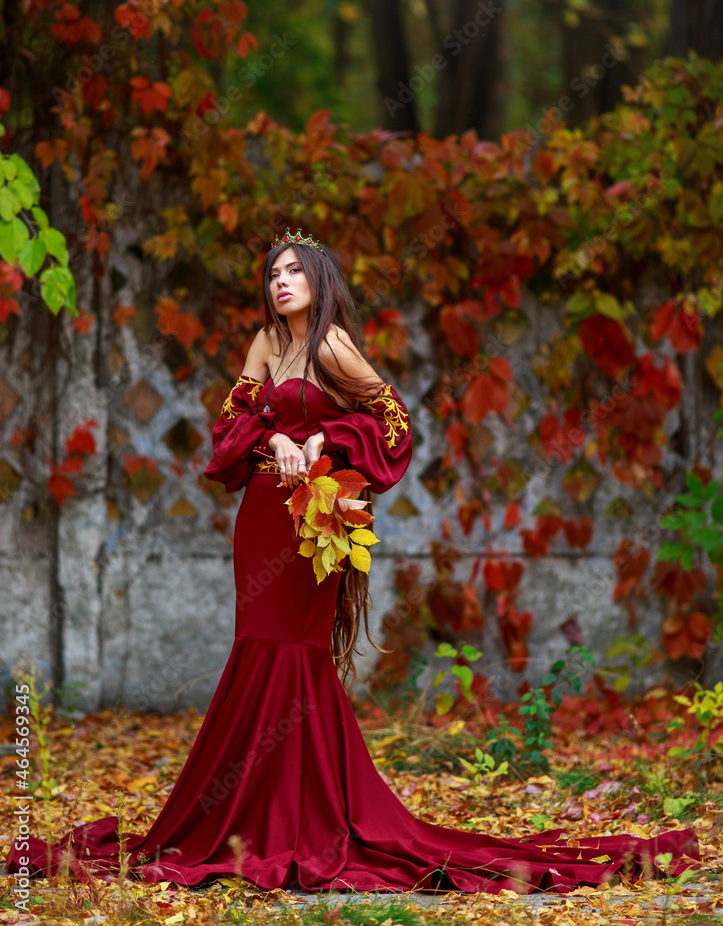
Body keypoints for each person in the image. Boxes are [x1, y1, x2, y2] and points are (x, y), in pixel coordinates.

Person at [5, 229, 699, 894]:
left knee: (294, 651)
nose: (279, 283)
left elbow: (394, 423)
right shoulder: (264, 344)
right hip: (261, 522)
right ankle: (251, 819)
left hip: (316, 524)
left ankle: (307, 823)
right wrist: (271, 442)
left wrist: (326, 445)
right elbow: (224, 434)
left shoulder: (333, 346)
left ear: (319, 280)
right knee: (257, 646)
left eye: (292, 271)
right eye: (272, 274)